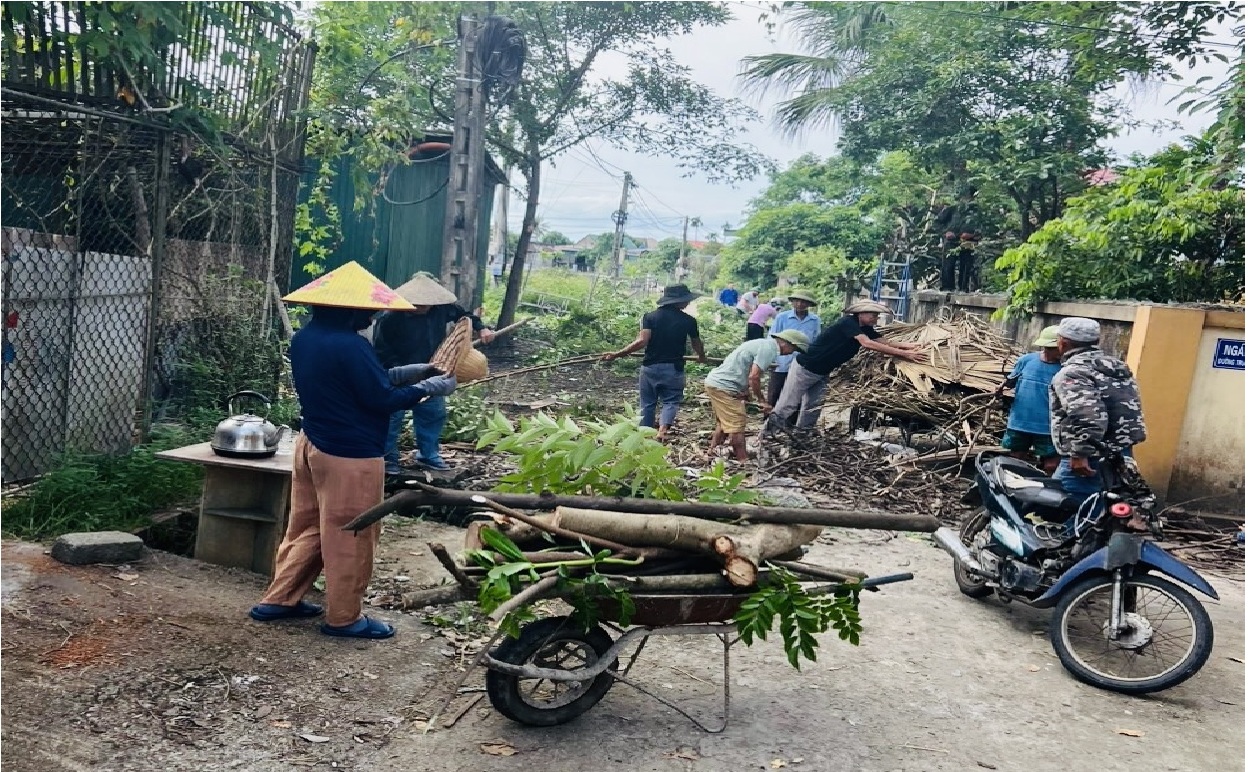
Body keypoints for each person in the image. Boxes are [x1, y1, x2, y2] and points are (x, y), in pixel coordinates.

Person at [249, 262, 458, 640]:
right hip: (350, 456)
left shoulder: (306, 338)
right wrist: (430, 390)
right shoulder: (351, 344)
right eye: (370, 309)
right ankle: (345, 618)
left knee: (307, 527)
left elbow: (358, 382)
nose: (375, 314)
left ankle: (280, 598)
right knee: (352, 534)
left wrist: (415, 372)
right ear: (350, 309)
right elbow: (380, 399)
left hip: (311, 446)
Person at [373, 273, 495, 474]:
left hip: (433, 371)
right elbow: (382, 351)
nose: (423, 307)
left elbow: (466, 317)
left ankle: (428, 455)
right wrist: (403, 373)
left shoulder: (441, 309)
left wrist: (482, 329)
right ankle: (388, 459)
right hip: (399, 376)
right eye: (418, 304)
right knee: (391, 419)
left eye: (427, 304)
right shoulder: (390, 318)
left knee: (433, 415)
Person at [765, 300, 924, 434]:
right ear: (861, 314)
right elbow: (867, 343)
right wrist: (905, 355)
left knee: (813, 408)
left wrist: (911, 347)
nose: (876, 319)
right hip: (806, 368)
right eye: (874, 315)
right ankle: (766, 436)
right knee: (787, 405)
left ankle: (801, 438)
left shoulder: (865, 328)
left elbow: (885, 342)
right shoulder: (848, 322)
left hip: (823, 371)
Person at [1048, 317, 1147, 500]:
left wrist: (1079, 454)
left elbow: (1089, 417)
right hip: (1119, 452)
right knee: (1106, 504)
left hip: (1089, 456)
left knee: (1069, 509)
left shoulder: (1073, 373)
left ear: (1064, 343)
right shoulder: (1115, 367)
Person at [604, 284, 707, 441]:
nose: (688, 303)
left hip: (650, 367)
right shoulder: (689, 321)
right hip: (673, 368)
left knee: (647, 403)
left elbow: (642, 341)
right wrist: (701, 356)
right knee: (671, 400)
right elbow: (696, 343)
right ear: (678, 301)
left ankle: (644, 434)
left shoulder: (650, 317)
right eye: (686, 300)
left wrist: (618, 354)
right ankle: (663, 430)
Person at [705, 329, 810, 461]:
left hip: (717, 383)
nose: (791, 353)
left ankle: (711, 451)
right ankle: (743, 461)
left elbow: (745, 367)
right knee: (737, 425)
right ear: (786, 343)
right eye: (794, 349)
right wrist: (762, 400)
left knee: (725, 421)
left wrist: (745, 391)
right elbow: (754, 376)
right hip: (724, 386)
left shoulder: (762, 344)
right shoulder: (769, 350)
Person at [996, 325, 1063, 472]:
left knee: (1051, 465)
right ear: (1047, 347)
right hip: (1020, 423)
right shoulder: (1026, 360)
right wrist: (1002, 387)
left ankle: (1046, 490)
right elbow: (1011, 381)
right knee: (1015, 459)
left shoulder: (1064, 369)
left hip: (1048, 427)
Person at [768, 289, 822, 412]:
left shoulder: (815, 320)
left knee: (796, 396)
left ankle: (790, 425)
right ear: (792, 302)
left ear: (809, 304)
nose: (800, 304)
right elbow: (772, 338)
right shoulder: (782, 317)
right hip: (781, 362)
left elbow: (815, 341)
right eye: (797, 301)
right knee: (775, 392)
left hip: (800, 363)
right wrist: (772, 359)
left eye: (804, 302)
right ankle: (769, 422)